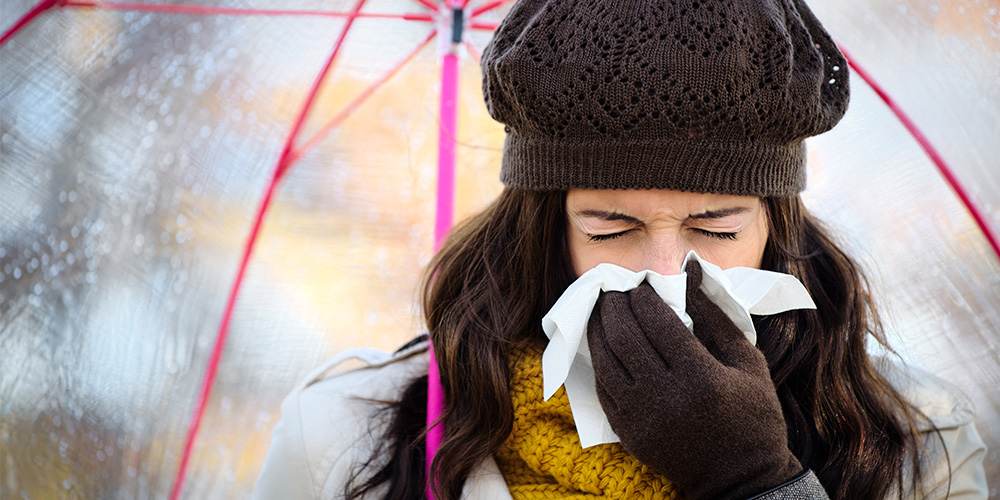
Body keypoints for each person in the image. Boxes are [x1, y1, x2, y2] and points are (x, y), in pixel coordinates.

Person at [252, 0, 989, 498]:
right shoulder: (348, 435)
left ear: (777, 227)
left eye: (716, 229)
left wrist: (760, 482)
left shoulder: (916, 441)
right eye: (610, 229)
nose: (665, 272)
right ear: (543, 231)